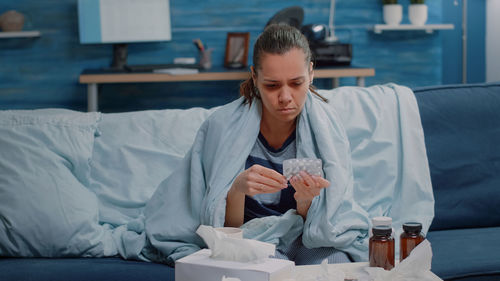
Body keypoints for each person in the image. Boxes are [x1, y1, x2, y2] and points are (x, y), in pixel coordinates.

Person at [142, 23, 370, 266]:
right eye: (272, 85)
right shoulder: (221, 126)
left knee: (338, 266)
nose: (285, 97)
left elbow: (325, 225)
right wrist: (237, 190)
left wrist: (305, 202)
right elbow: (225, 233)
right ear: (255, 76)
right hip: (252, 242)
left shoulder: (327, 127)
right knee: (267, 272)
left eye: (296, 83)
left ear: (311, 73)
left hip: (309, 241)